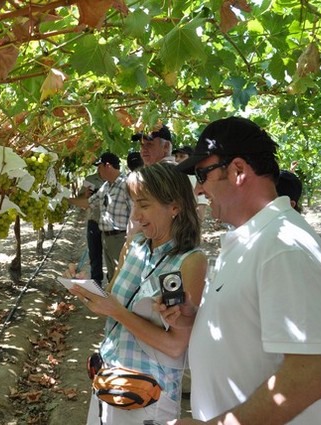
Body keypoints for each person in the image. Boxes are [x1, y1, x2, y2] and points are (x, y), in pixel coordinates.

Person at [164, 116, 321, 424]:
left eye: (202, 174)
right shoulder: (253, 239)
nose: (199, 188)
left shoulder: (284, 247)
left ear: (238, 170)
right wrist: (196, 317)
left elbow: (306, 379)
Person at [69, 162, 207, 425]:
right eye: (133, 204)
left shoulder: (190, 261)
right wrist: (87, 289)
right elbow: (110, 301)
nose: (135, 215)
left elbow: (176, 345)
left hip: (147, 395)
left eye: (143, 205)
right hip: (109, 378)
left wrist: (117, 312)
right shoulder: (134, 247)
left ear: (175, 207)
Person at [69, 152, 131, 283]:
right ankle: (107, 292)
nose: (98, 170)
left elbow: (134, 213)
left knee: (120, 274)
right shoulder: (106, 186)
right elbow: (89, 203)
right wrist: (66, 200)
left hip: (120, 238)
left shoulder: (126, 185)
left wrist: (130, 238)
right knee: (112, 275)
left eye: (99, 167)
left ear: (107, 166)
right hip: (106, 237)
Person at [82, 172, 104, 285]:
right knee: (94, 253)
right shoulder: (89, 179)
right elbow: (81, 200)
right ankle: (96, 282)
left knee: (113, 254)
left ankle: (113, 282)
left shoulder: (117, 180)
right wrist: (85, 195)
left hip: (111, 224)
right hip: (94, 220)